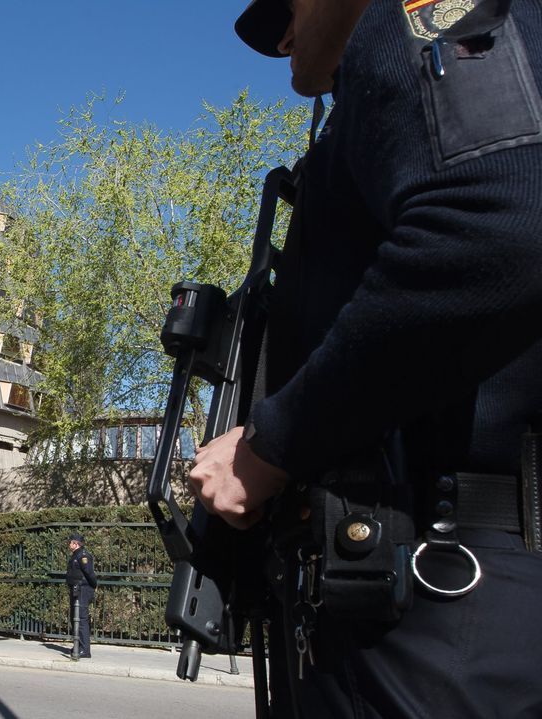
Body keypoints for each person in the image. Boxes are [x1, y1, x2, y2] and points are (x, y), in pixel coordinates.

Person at [190, 1, 542, 716]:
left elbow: (500, 227)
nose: (282, 38)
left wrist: (269, 445)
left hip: (442, 601)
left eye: (285, 10)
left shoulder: (411, 18)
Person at [64, 533, 98, 659]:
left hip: (83, 590)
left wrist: (94, 585)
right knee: (75, 618)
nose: (69, 544)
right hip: (76, 590)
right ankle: (78, 646)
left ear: (76, 543)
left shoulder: (83, 555)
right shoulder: (76, 555)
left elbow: (89, 572)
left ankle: (85, 650)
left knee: (81, 619)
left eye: (70, 542)